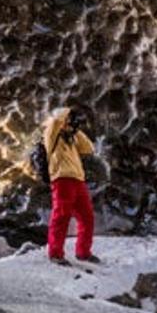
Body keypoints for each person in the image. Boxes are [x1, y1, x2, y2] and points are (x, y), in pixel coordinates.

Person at [44, 105, 99, 265]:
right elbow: (56, 121)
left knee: (87, 217)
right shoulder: (51, 135)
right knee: (61, 216)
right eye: (69, 122)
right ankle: (55, 253)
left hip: (78, 181)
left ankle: (83, 252)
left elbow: (89, 148)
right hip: (61, 180)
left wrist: (76, 130)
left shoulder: (72, 140)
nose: (70, 124)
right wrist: (69, 113)